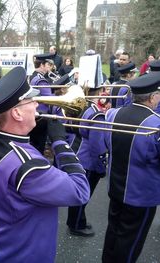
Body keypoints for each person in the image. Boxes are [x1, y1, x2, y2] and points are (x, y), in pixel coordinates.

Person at [0, 66, 90, 262]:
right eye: (32, 100)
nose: (38, 104)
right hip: (25, 252)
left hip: (3, 238)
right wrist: (60, 143)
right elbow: (80, 191)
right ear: (17, 114)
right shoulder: (28, 165)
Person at [102, 71, 160, 262]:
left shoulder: (112, 114)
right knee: (131, 241)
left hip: (115, 188)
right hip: (141, 195)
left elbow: (106, 144)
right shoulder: (155, 124)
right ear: (152, 97)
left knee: (113, 231)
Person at [66, 75, 108, 237]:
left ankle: (77, 221)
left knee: (79, 193)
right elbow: (97, 148)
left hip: (77, 153)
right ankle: (76, 225)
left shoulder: (84, 107)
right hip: (88, 161)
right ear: (99, 91)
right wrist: (101, 167)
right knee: (83, 195)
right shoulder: (96, 114)